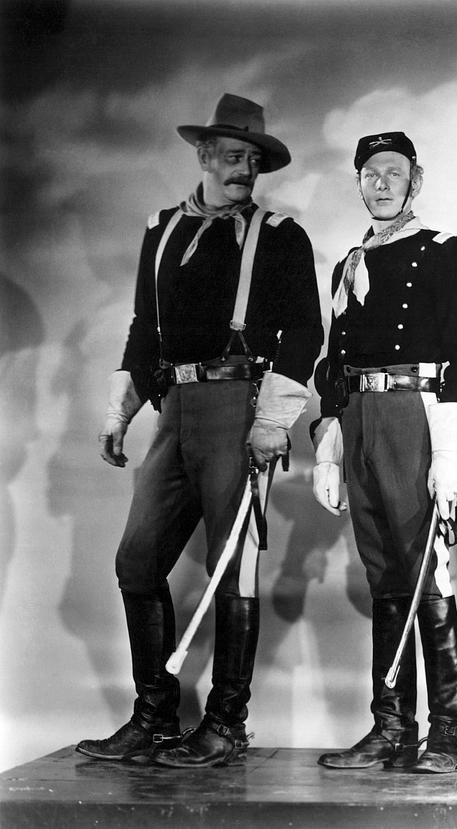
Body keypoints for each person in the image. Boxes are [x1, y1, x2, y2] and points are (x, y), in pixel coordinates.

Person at [77, 94, 322, 767]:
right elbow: (144, 328)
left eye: (254, 160)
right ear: (205, 156)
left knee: (233, 568)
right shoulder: (160, 230)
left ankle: (225, 723)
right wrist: (120, 411)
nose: (246, 169)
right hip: (174, 408)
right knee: (136, 562)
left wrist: (273, 420)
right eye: (234, 156)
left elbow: (306, 333)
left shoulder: (280, 236)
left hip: (239, 408)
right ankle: (153, 716)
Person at [311, 131, 457, 774]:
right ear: (358, 182)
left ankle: (447, 732)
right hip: (359, 417)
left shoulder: (443, 250)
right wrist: (329, 449)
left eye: (393, 172)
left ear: (416, 180)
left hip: (416, 413)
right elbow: (335, 363)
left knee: (426, 571)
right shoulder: (350, 263)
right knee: (383, 575)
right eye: (370, 174)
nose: (381, 183)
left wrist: (450, 451)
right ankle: (391, 728)